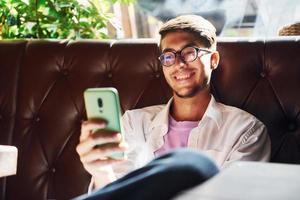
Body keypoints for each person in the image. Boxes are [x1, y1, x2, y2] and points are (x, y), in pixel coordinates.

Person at [75, 15, 271, 199]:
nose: (179, 64)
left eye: (189, 53)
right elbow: (117, 194)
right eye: (169, 56)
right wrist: (101, 172)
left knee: (195, 164)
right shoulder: (134, 122)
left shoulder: (245, 131)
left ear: (213, 60)